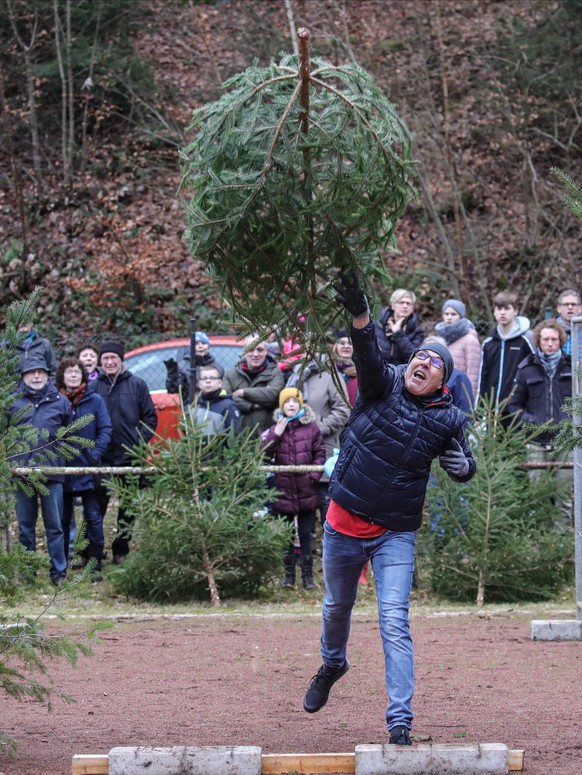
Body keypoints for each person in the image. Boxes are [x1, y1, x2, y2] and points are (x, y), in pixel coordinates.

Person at [302, 272, 476, 745]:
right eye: (419, 355)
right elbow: (367, 355)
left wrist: (463, 466)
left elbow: (465, 464)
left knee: (394, 620)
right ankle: (332, 664)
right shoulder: (383, 386)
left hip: (395, 533)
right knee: (337, 605)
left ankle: (400, 721)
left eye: (433, 362)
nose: (422, 361)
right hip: (343, 523)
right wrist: (361, 315)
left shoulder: (449, 419)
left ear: (443, 378)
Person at [92, 340, 158, 564]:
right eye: (105, 359)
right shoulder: (94, 387)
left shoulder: (137, 385)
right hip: (101, 457)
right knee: (96, 506)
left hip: (129, 456)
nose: (109, 362)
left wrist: (137, 441)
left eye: (114, 358)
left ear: (121, 361)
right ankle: (92, 551)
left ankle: (121, 550)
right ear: (101, 363)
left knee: (128, 507)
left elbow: (150, 417)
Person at [10, 355, 72, 585]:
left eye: (41, 372)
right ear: (23, 376)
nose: (36, 376)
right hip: (21, 474)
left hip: (52, 473)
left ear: (47, 375)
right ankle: (27, 573)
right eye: (31, 372)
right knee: (25, 528)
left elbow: (69, 433)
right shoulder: (12, 402)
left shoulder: (60, 401)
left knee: (54, 526)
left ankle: (59, 573)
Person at [507, 319, 573, 527]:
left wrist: (570, 423)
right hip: (535, 442)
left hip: (565, 442)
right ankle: (538, 545)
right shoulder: (526, 369)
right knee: (537, 495)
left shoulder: (572, 368)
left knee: (564, 497)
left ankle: (560, 544)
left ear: (561, 341)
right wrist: (532, 423)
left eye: (554, 339)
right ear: (538, 341)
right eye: (546, 339)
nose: (550, 343)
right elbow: (513, 405)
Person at [261, 387, 326, 589]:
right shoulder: (276, 428)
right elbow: (263, 454)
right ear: (282, 405)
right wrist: (276, 435)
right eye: (287, 402)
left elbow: (320, 455)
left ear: (301, 405)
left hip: (306, 490)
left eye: (295, 402)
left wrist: (312, 477)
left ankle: (308, 577)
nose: (291, 405)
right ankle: (288, 577)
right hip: (283, 490)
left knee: (307, 534)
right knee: (285, 536)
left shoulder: (312, 428)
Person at [55, 357, 112, 579]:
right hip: (62, 469)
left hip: (89, 468)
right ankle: (61, 565)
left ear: (83, 375)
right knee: (62, 518)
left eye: (77, 372)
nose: (73, 375)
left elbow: (105, 429)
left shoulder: (95, 400)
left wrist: (94, 454)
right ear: (62, 375)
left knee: (94, 517)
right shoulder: (56, 400)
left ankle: (94, 563)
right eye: (68, 372)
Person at [477, 290, 534, 421]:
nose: (502, 312)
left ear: (516, 311)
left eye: (507, 308)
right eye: (499, 308)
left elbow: (534, 370)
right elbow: (483, 378)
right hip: (492, 408)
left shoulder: (526, 339)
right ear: (494, 311)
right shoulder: (488, 343)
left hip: (519, 408)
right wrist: (479, 410)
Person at [222, 334, 285, 435]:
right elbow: (225, 400)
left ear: (266, 351)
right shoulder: (230, 374)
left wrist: (242, 392)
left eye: (260, 350)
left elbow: (274, 395)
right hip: (236, 440)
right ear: (245, 351)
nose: (255, 354)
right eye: (251, 349)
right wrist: (252, 405)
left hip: (266, 440)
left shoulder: (275, 373)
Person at [434, 298, 481, 400]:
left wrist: (470, 398)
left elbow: (473, 373)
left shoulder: (470, 339)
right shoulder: (439, 338)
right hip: (439, 391)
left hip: (460, 392)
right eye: (446, 314)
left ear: (461, 316)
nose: (449, 317)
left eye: (453, 314)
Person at [165, 331, 223, 400]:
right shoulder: (183, 366)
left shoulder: (216, 366)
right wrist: (172, 373)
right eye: (196, 344)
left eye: (204, 343)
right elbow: (173, 389)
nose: (200, 346)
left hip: (213, 404)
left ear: (208, 346)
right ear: (191, 347)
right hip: (191, 406)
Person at [375, 288, 425, 365]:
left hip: (401, 373)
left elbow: (413, 358)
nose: (405, 306)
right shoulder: (378, 324)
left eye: (408, 303)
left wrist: (398, 333)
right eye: (401, 302)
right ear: (393, 305)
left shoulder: (417, 330)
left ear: (412, 308)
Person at [192, 364, 242, 437]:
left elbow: (235, 435)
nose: (208, 381)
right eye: (204, 378)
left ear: (219, 383)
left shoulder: (228, 406)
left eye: (212, 378)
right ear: (199, 384)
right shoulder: (195, 406)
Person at [332, 329, 358, 408]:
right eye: (342, 343)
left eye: (350, 343)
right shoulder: (328, 369)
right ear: (336, 347)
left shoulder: (362, 371)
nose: (346, 346)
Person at [554, 289, 581, 358]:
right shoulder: (550, 330)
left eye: (573, 304)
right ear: (559, 308)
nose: (570, 307)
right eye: (566, 304)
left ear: (580, 308)